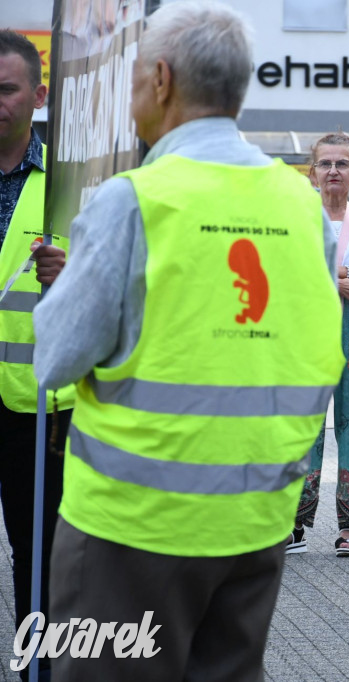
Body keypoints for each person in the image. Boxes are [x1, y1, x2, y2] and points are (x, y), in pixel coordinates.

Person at [33, 3, 344, 678]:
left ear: (163, 79)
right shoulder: (300, 206)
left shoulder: (133, 200)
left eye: (137, 77)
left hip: (132, 527)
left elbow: (54, 361)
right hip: (256, 518)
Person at [0, 30, 74, 681]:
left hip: (34, 404)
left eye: (6, 88)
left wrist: (69, 273)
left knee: (37, 553)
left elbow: (114, 289)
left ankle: (38, 669)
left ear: (39, 96)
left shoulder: (66, 188)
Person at [287, 132, 349, 558]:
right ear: (312, 172)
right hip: (305, 327)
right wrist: (341, 280)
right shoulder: (295, 215)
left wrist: (331, 273)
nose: (333, 171)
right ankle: (293, 524)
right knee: (301, 427)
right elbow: (288, 270)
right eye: (325, 163)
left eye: (342, 164)